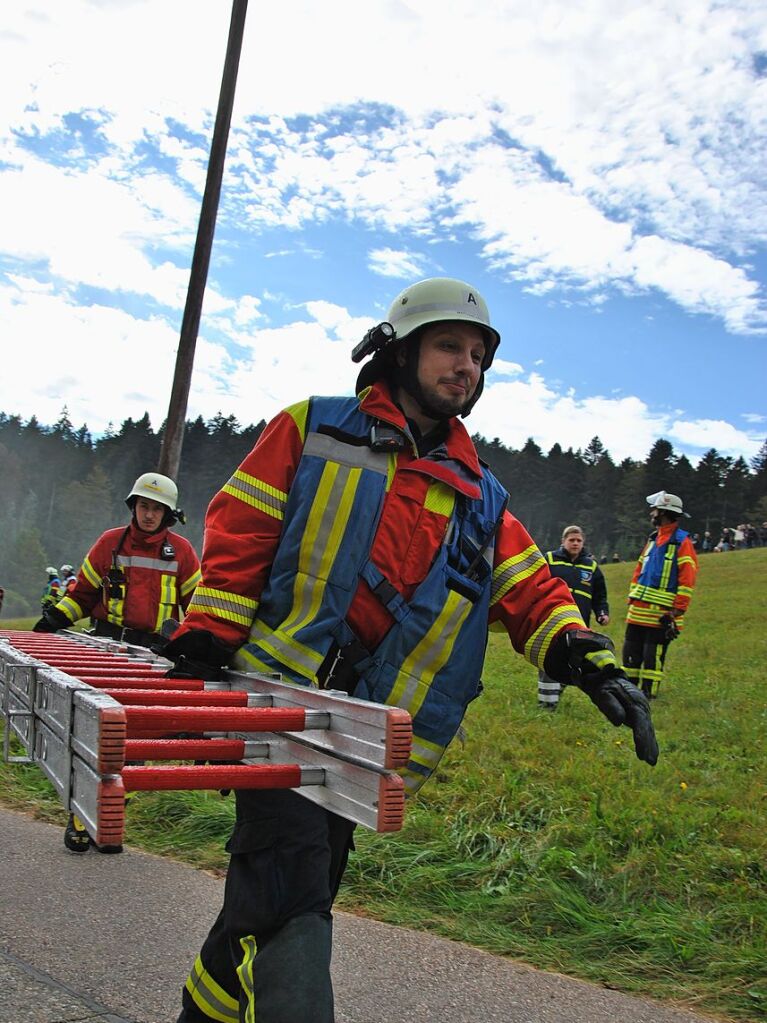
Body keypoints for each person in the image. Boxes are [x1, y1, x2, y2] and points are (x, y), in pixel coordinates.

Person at [162, 276, 658, 1023]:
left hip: (364, 738)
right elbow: (243, 527)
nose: (468, 366)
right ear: (398, 351)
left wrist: (586, 658)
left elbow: (529, 590)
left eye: (480, 356)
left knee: (284, 892)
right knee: (294, 897)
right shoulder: (313, 429)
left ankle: (203, 1008)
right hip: (276, 711)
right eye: (450, 346)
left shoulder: (480, 497)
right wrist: (208, 632)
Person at [33, 471, 201, 852]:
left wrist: (202, 646)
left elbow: (197, 609)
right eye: (144, 506)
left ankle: (106, 819)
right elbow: (83, 593)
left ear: (168, 514)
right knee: (97, 736)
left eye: (157, 509)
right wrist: (55, 619)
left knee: (137, 744)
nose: (148, 515)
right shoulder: (109, 543)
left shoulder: (184, 554)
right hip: (106, 651)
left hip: (152, 659)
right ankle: (81, 819)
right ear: (133, 506)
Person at [622, 490, 698, 699]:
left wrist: (677, 611)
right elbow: (639, 569)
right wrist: (632, 597)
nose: (651, 513)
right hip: (638, 611)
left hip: (661, 614)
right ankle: (628, 692)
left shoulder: (682, 543)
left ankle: (648, 695)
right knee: (631, 652)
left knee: (651, 656)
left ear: (663, 512)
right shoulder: (653, 540)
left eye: (654, 509)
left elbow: (687, 579)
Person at [537, 525, 610, 710]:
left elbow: (600, 595)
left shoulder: (591, 567)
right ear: (563, 541)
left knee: (571, 662)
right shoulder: (550, 560)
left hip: (579, 625)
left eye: (578, 540)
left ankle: (555, 693)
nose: (575, 543)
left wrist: (602, 613)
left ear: (583, 543)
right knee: (550, 658)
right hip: (552, 621)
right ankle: (547, 704)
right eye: (572, 540)